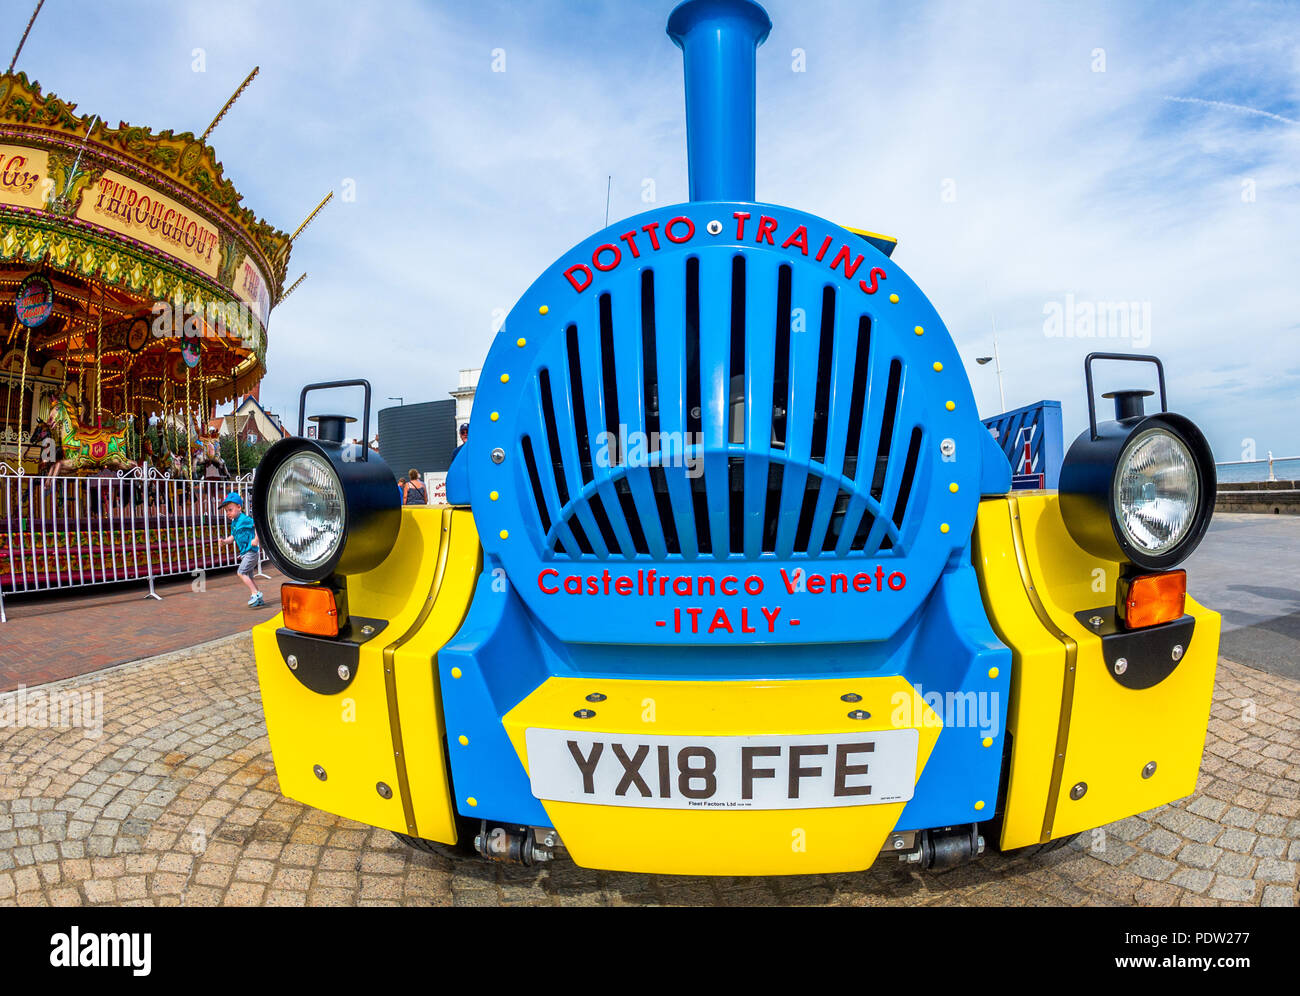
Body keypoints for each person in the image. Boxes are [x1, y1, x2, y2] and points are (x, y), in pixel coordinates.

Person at [219, 492, 265, 608]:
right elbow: (232, 537)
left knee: (241, 572)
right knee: (248, 577)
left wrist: (256, 539)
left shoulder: (244, 519)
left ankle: (256, 593)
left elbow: (258, 526)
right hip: (245, 553)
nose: (228, 513)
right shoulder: (234, 524)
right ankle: (258, 598)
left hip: (251, 551)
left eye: (230, 510)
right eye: (226, 511)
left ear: (239, 507)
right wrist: (224, 542)